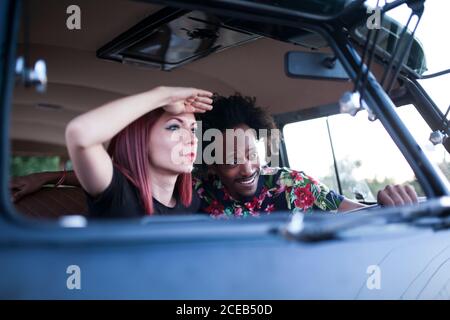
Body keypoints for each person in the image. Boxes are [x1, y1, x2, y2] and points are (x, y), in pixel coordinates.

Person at [11, 93, 418, 217]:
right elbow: (109, 172)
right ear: (209, 159)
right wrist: (46, 178)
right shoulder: (197, 191)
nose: (248, 166)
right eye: (230, 155)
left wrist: (388, 206)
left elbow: (357, 216)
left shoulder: (291, 184)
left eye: (252, 151)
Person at [48, 86, 212, 217]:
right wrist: (163, 95)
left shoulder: (190, 203)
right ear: (140, 140)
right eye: (174, 127)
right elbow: (80, 133)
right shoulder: (118, 193)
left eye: (193, 129)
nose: (192, 138)